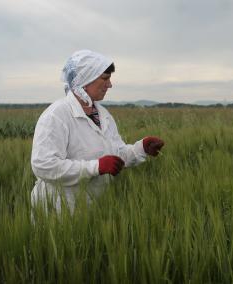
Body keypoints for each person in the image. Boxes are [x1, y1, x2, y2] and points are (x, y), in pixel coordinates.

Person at [31, 50, 164, 213]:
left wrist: (141, 149)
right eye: (105, 78)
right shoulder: (56, 116)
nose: (110, 84)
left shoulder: (103, 115)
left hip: (94, 210)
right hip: (58, 213)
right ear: (86, 79)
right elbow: (43, 166)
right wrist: (96, 167)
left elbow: (115, 156)